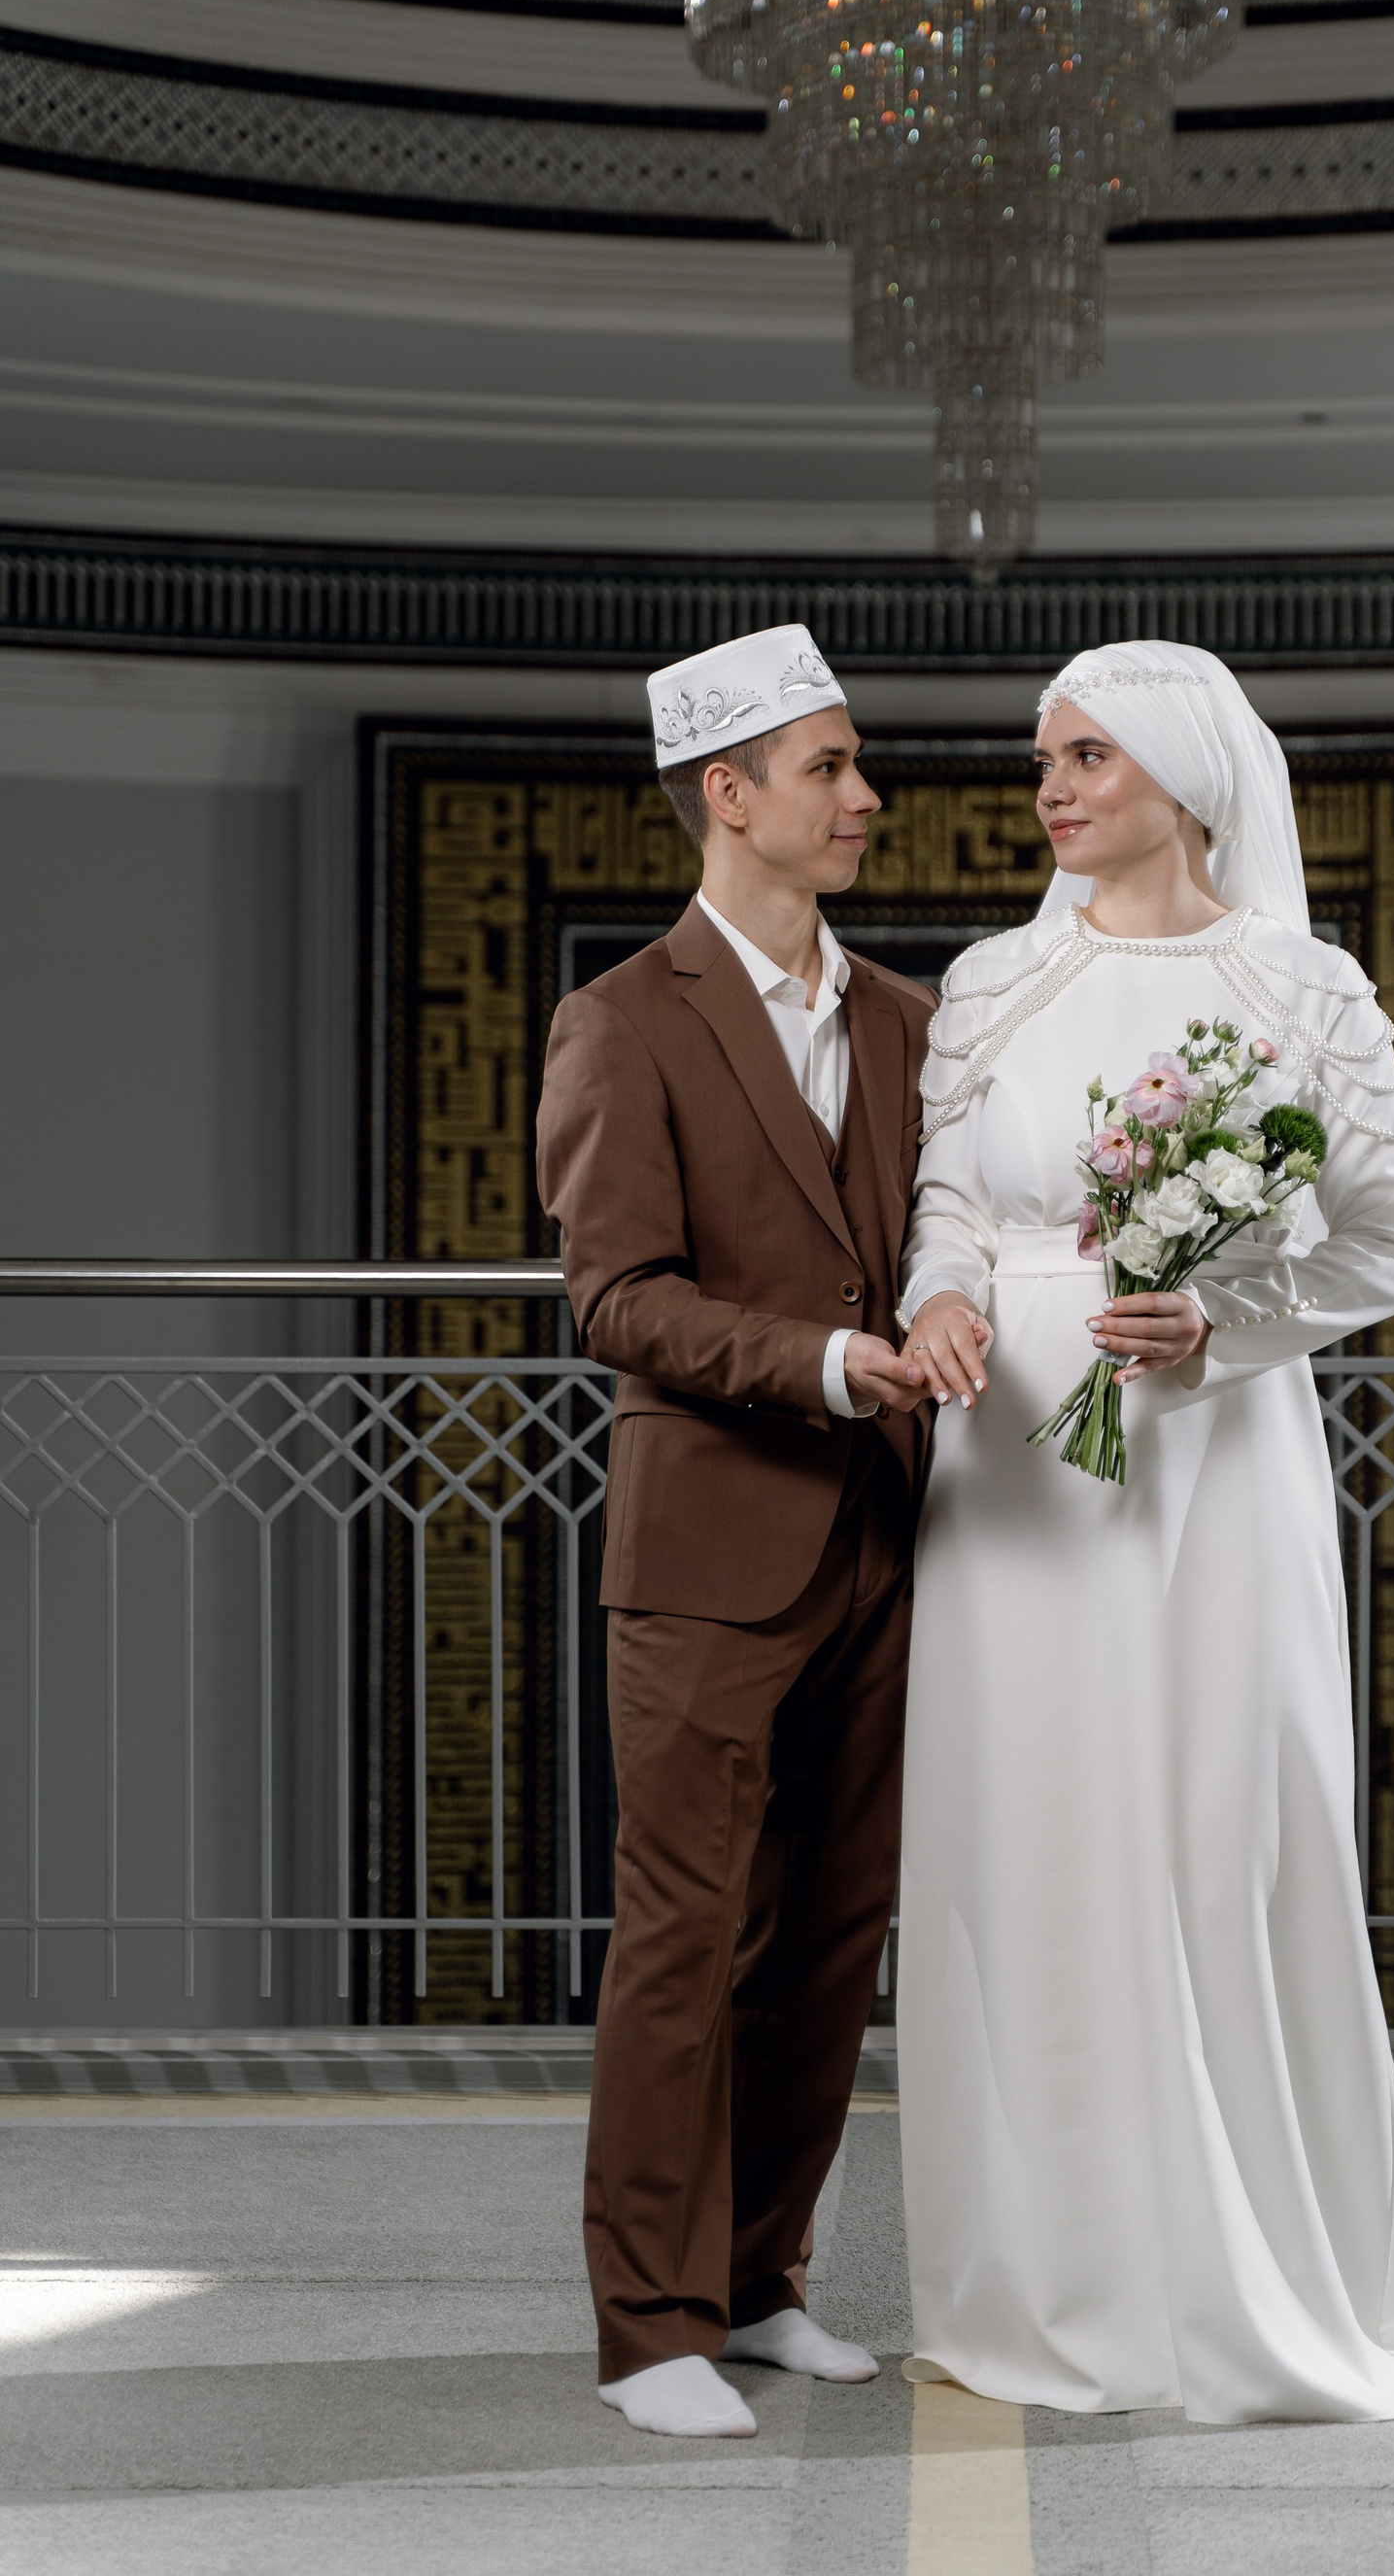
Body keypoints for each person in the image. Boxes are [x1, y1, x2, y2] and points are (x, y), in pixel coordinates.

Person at [895, 640, 1394, 2424]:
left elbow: (1385, 1251)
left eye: (1087, 757)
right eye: (1044, 760)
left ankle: (1240, 2275)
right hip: (1009, 1456)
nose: (1052, 788)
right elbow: (948, 1205)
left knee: (1212, 1829)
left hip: (1214, 1454)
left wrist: (1222, 1323)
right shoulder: (991, 983)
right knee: (1027, 1838)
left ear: (1185, 777)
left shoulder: (1303, 986)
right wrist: (943, 1298)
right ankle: (1052, 2274)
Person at [536, 625, 935, 2439]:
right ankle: (650, 2329)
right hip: (707, 1553)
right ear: (730, 793)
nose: (866, 798)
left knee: (832, 1939)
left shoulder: (911, 1021)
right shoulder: (623, 1019)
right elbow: (616, 1297)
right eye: (831, 767)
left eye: (855, 766)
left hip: (893, 1540)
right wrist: (827, 1365)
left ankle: (764, 2282)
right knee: (682, 1937)